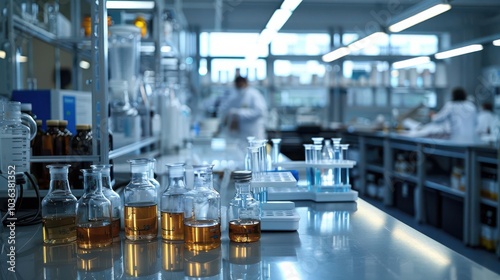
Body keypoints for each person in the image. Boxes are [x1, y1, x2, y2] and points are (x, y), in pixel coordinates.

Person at [217, 76, 268, 140]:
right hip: (241, 135)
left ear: (246, 83)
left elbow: (259, 111)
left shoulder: (254, 94)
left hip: (254, 132)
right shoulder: (236, 96)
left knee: (255, 148)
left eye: (241, 85)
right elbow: (225, 110)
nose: (240, 87)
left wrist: (238, 113)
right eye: (237, 86)